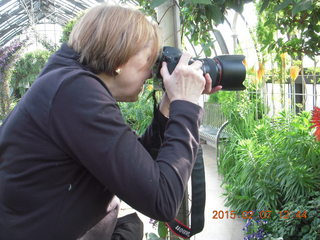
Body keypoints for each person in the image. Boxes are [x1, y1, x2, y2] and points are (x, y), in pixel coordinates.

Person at [0, 3, 221, 240]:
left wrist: (170, 104)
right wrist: (187, 105)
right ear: (120, 57)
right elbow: (162, 200)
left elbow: (134, 170)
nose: (151, 72)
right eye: (149, 60)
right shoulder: (75, 92)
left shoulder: (68, 83)